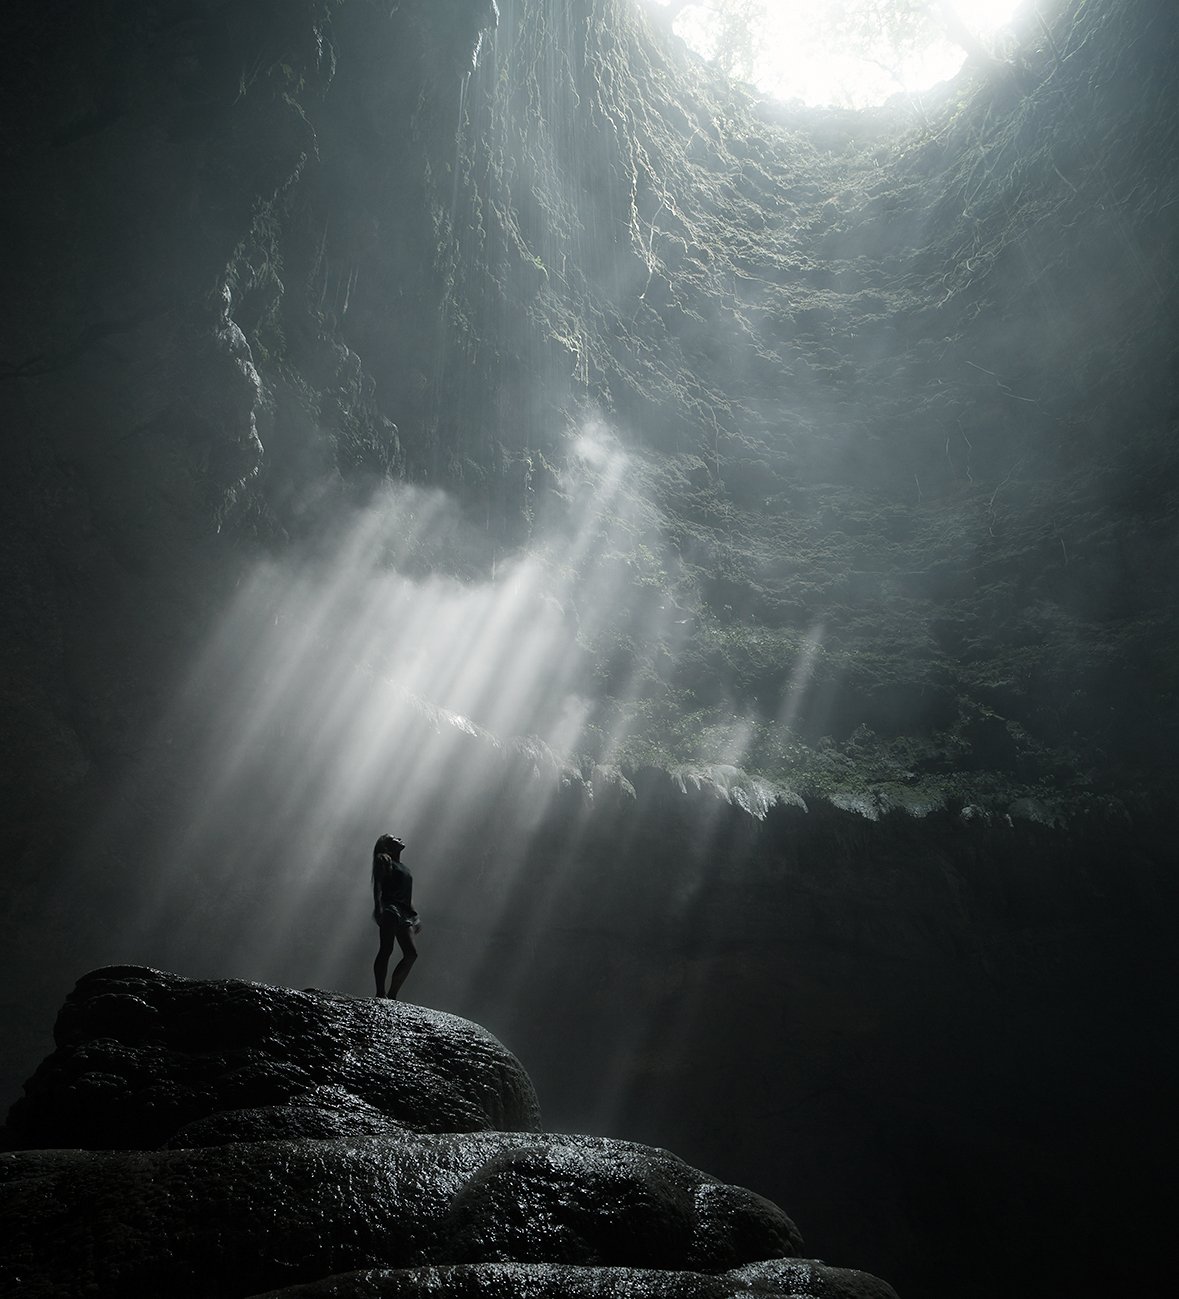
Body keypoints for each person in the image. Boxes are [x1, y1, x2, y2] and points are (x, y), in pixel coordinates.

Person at [371, 833, 421, 999]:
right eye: (394, 838)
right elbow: (378, 883)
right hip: (391, 908)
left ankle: (392, 994)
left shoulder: (405, 868)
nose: (399, 838)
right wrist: (378, 906)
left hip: (405, 912)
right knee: (386, 948)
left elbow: (407, 893)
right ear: (386, 845)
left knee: (411, 954)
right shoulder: (384, 859)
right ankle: (380, 992)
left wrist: (415, 914)